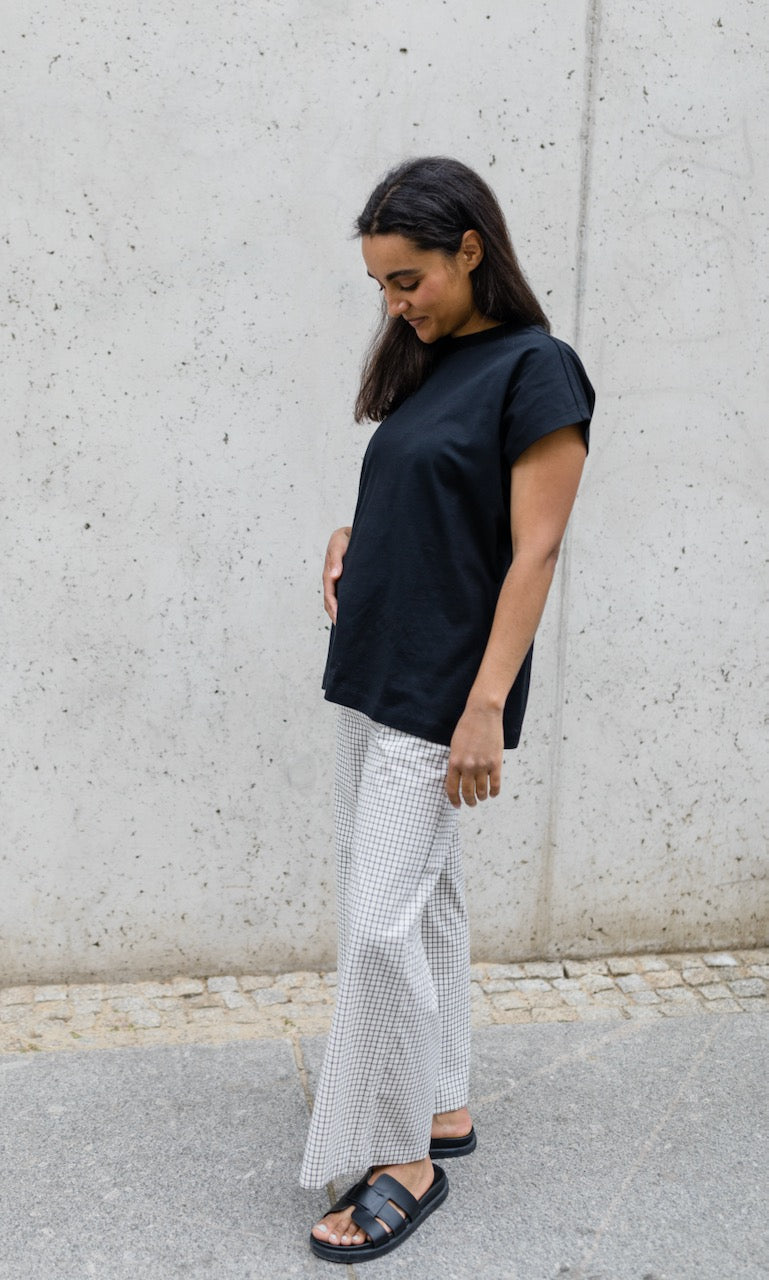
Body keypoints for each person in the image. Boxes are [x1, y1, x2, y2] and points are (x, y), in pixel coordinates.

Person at [303, 156, 595, 1263]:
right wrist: (352, 533)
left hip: (439, 690)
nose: (397, 302)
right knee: (420, 904)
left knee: (378, 919)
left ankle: (402, 1158)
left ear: (471, 248)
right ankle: (443, 1103)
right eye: (382, 284)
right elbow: (432, 494)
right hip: (377, 662)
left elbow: (536, 547)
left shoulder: (540, 368)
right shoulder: (436, 362)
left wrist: (485, 706)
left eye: (409, 277)